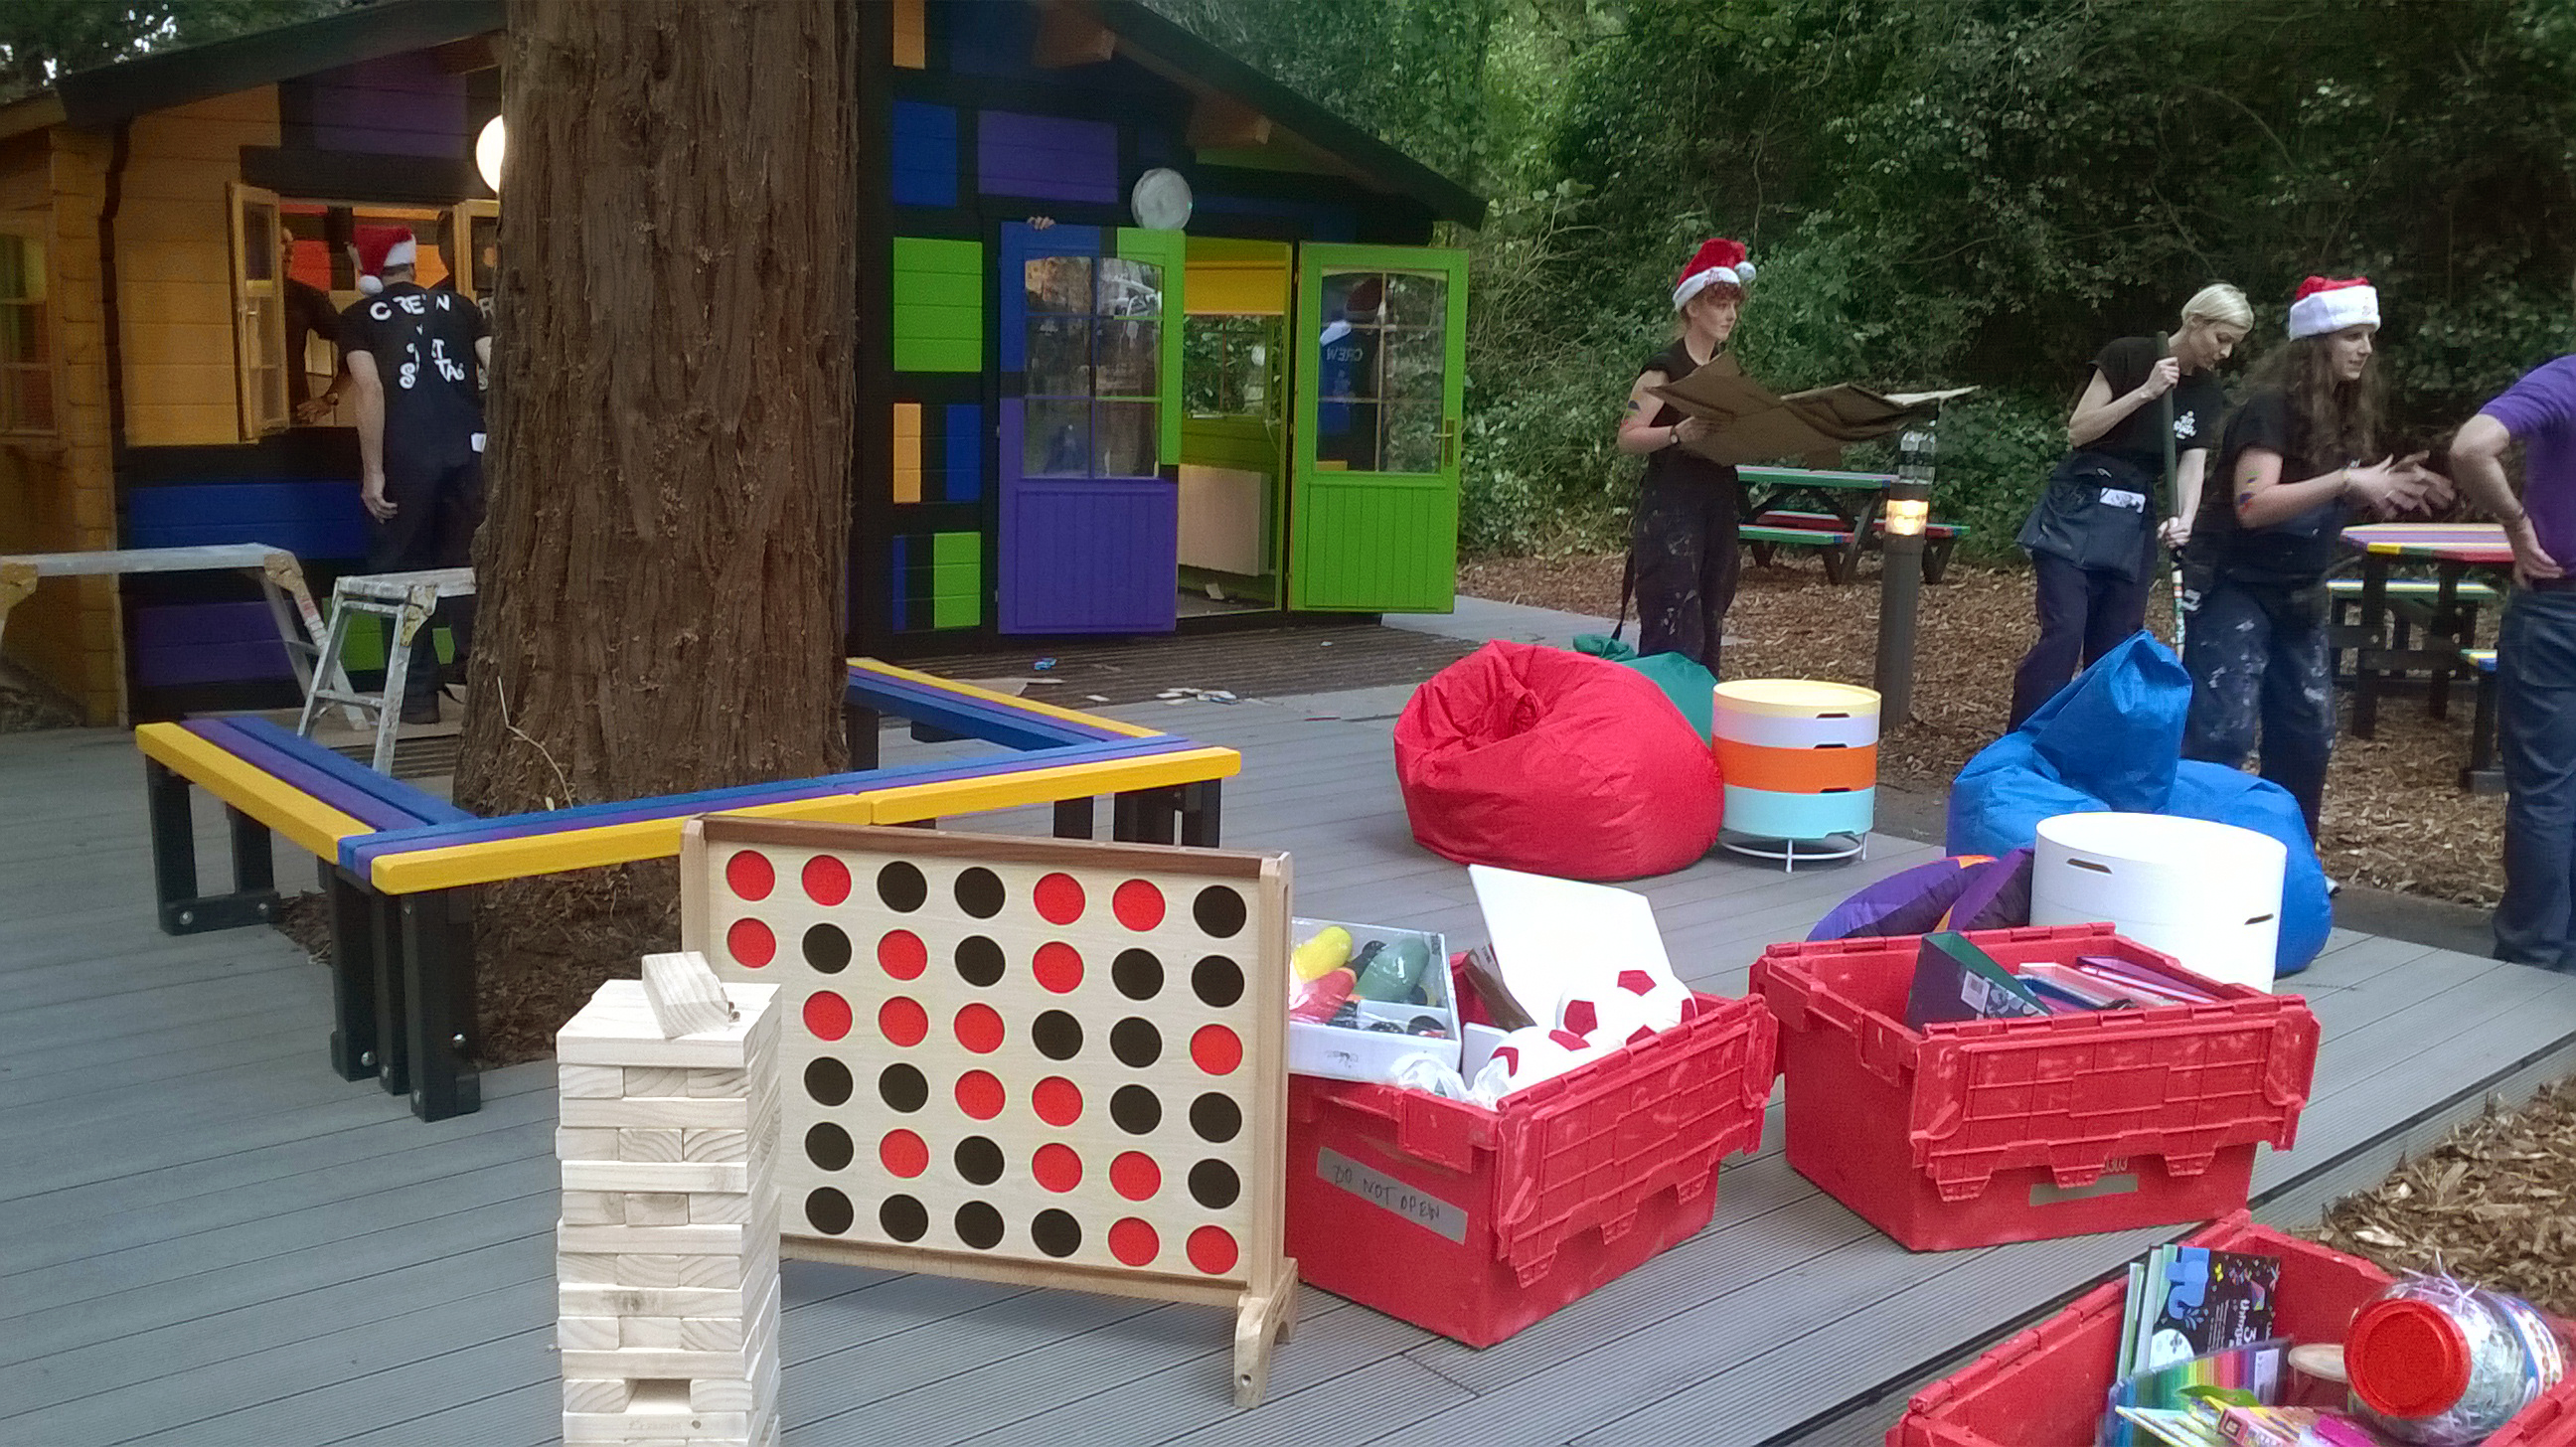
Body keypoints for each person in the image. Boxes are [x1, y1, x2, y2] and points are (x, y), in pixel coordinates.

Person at [2180, 276, 2448, 840]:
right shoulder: (2271, 407)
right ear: (2316, 342)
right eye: (2352, 336)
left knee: (2307, 733)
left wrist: (2383, 488)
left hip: (2299, 588)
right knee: (2223, 733)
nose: (2365, 349)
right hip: (2235, 584)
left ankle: (2290, 858)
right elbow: (2253, 505)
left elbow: (2321, 496)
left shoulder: (2344, 412)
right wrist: (2349, 480)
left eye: (2369, 336)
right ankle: (2193, 852)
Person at [2007, 285, 2253, 727]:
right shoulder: (2127, 356)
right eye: (2222, 338)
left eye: (2233, 343)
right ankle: (2024, 740)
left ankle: (2095, 743)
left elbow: (2192, 465)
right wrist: (2145, 391)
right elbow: (2079, 431)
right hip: (2078, 502)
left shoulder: (2206, 391)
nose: (2226, 352)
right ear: (2195, 321)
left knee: (2117, 640)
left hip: (2134, 513)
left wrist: (2184, 519)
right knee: (2065, 631)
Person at [2443, 351, 2576, 969]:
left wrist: (2516, 526)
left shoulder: (2567, 377)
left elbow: (2472, 447)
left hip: (2558, 607)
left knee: (2546, 788)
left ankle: (2534, 954)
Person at [338, 227, 492, 724]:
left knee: (403, 573)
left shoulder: (359, 317)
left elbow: (369, 390)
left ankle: (417, 696)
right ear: (411, 263)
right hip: (469, 453)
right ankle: (484, 684)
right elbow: (499, 368)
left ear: (368, 268)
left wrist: (373, 472)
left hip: (405, 458)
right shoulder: (461, 307)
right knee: (469, 567)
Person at [1615, 237, 1754, 674]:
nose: (1730, 315)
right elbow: (1627, 437)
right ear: (1692, 306)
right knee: (1673, 631)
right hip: (1671, 514)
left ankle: (1699, 712)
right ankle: (1662, 713)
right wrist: (1677, 433)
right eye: (1719, 303)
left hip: (1718, 509)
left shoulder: (1727, 370)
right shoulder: (1663, 369)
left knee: (1710, 625)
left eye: (1734, 305)